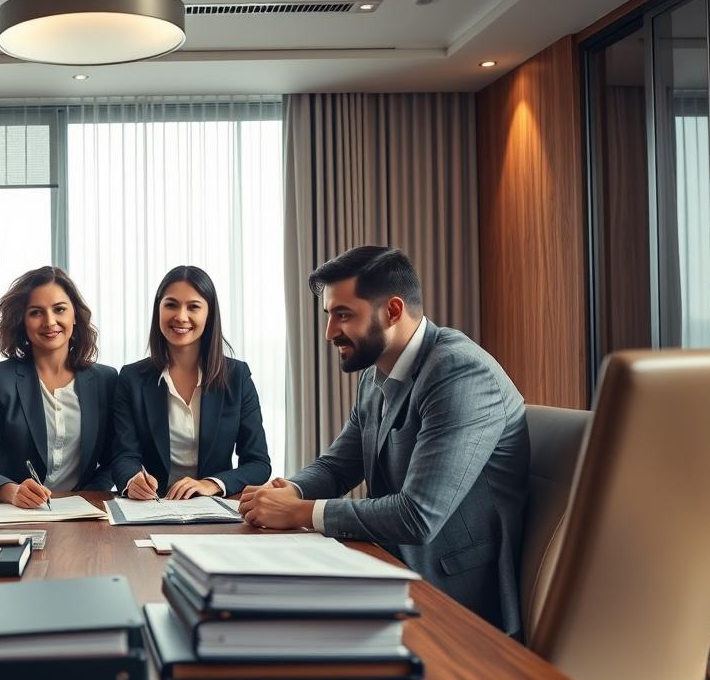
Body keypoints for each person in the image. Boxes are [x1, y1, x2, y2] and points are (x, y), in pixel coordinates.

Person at [239, 246, 529, 636]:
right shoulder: (376, 375)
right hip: (387, 567)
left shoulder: (460, 372)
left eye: (343, 315)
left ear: (392, 311)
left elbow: (417, 515)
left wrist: (299, 512)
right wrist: (286, 489)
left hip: (457, 602)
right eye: (328, 316)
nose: (329, 333)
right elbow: (338, 466)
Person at [0, 266, 118, 507]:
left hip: (84, 513)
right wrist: (11, 491)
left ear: (74, 315)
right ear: (22, 321)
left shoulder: (105, 380)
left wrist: (88, 497)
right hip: (19, 514)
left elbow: (113, 460)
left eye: (59, 310)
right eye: (36, 312)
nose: (50, 321)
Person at [112, 266, 271, 500]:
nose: (181, 316)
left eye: (193, 307)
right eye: (171, 305)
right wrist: (132, 479)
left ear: (209, 314)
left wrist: (211, 484)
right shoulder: (132, 378)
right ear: (158, 310)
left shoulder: (237, 376)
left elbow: (258, 463)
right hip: (152, 508)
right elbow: (123, 456)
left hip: (213, 508)